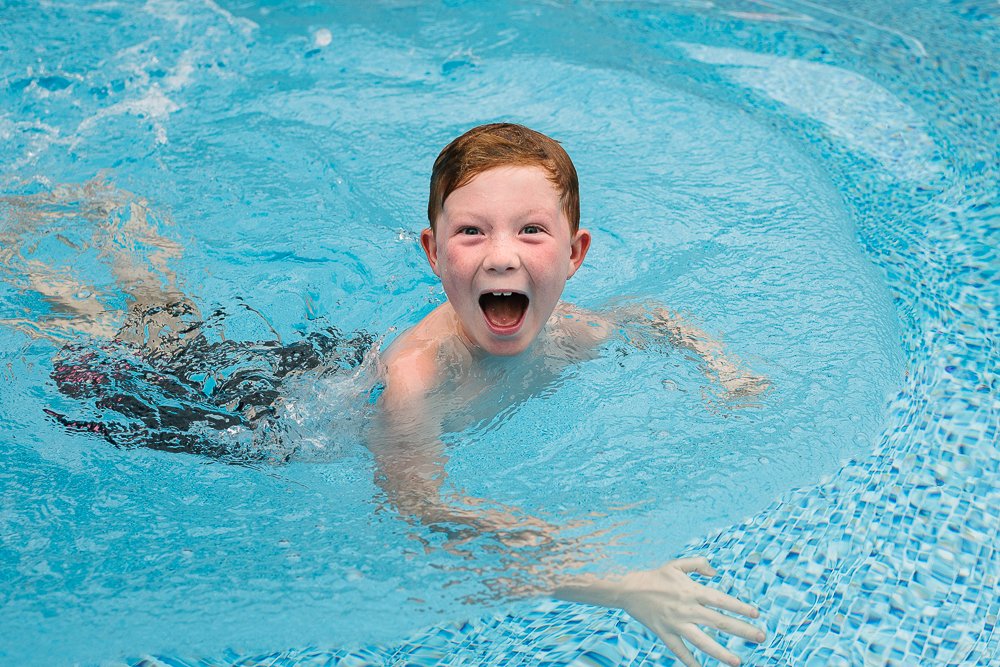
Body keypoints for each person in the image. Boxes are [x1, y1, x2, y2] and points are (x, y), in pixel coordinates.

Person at [369, 123, 769, 667]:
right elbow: (422, 509)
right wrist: (610, 580)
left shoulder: (569, 333)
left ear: (575, 253)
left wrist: (726, 372)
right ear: (433, 252)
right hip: (266, 416)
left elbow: (647, 318)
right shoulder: (416, 378)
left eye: (531, 230)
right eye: (471, 232)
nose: (501, 258)